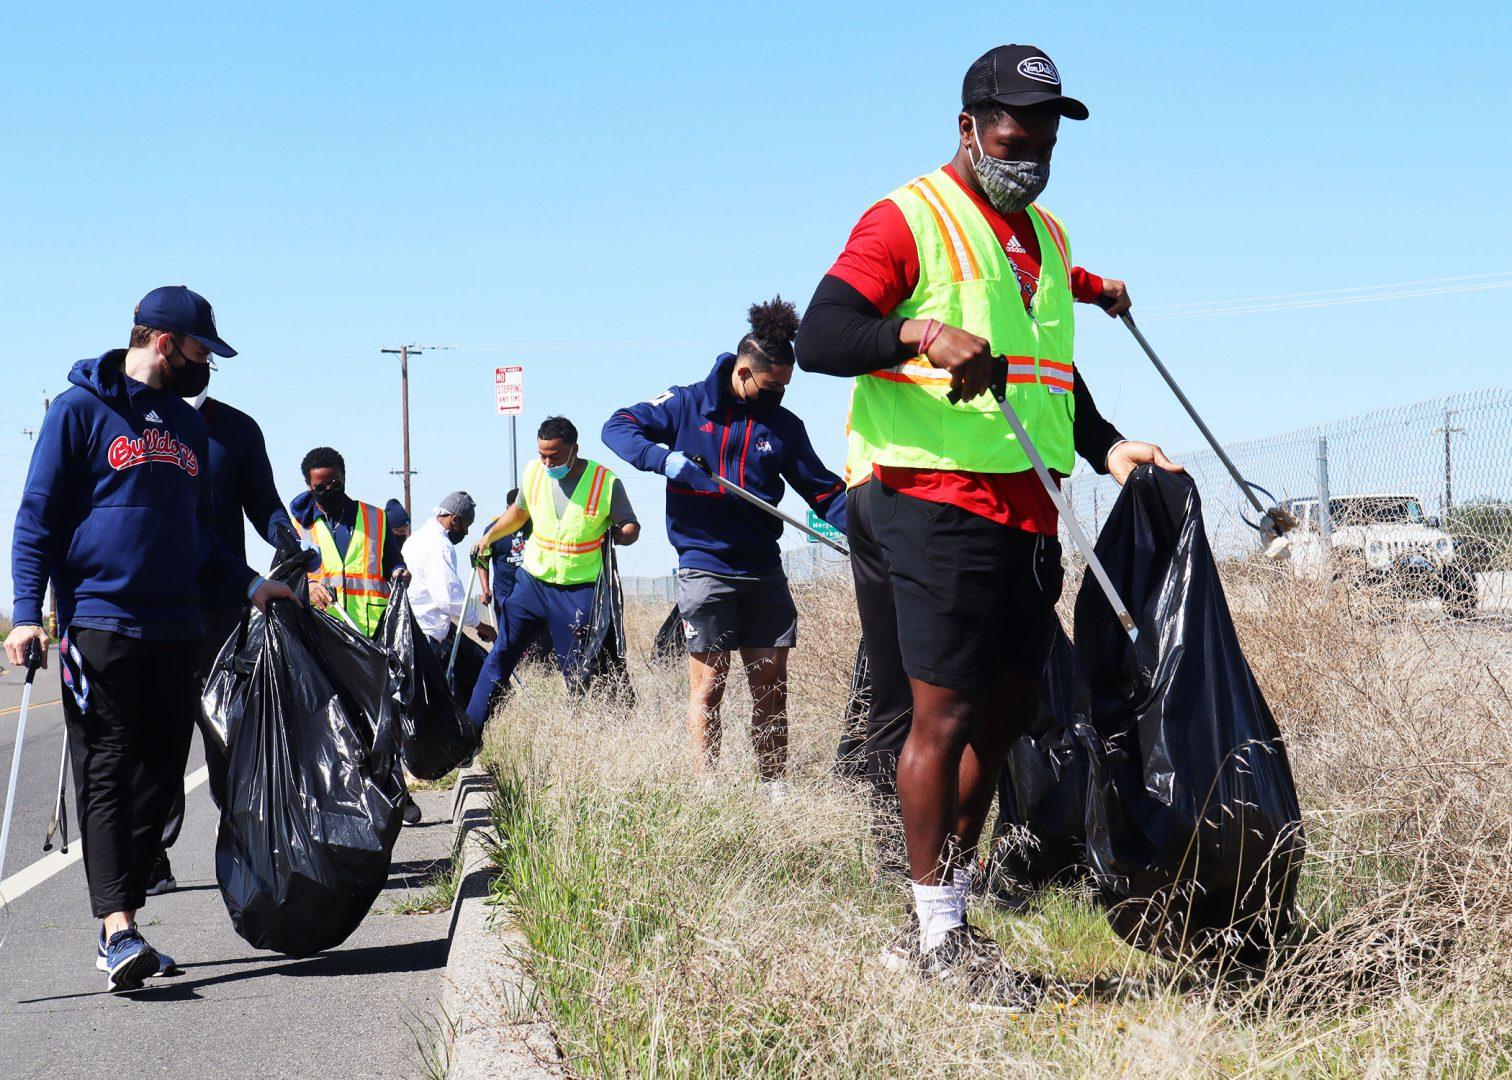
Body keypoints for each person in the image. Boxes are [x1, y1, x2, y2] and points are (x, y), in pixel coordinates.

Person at [794, 45, 1181, 1006]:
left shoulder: (1043, 237)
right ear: (968, 127)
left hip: (1025, 504)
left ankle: (943, 910)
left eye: (1050, 132)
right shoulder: (908, 219)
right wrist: (917, 332)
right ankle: (938, 937)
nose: (1036, 149)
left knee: (1010, 709)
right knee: (948, 712)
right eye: (1017, 131)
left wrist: (1108, 446)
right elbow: (820, 334)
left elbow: (1048, 373)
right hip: (929, 499)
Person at [5, 286, 294, 992]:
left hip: (179, 627)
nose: (207, 366)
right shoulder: (79, 411)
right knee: (106, 770)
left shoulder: (188, 431)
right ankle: (119, 931)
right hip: (100, 622)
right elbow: (37, 516)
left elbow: (196, 533)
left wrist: (251, 581)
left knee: (159, 781)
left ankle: (127, 925)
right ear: (163, 342)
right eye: (201, 352)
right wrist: (24, 614)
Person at [603, 298, 846, 797]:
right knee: (710, 686)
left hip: (763, 571)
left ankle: (774, 790)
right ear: (743, 372)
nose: (778, 395)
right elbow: (617, 426)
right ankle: (708, 790)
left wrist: (864, 531)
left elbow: (823, 492)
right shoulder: (686, 404)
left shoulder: (783, 427)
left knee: (771, 689)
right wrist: (660, 458)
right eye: (771, 386)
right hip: (705, 568)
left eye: (784, 388)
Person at [152, 387, 295, 895]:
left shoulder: (236, 429)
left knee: (226, 730)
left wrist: (285, 535)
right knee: (158, 737)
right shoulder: (138, 423)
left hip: (219, 608)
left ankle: (240, 838)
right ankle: (152, 853)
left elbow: (264, 503)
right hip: (155, 608)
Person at [466, 416, 639, 726]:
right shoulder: (534, 472)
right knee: (501, 655)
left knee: (579, 672)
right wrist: (488, 537)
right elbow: (518, 513)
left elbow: (630, 525)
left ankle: (585, 734)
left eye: (554, 456)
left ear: (574, 449)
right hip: (532, 584)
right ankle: (468, 735)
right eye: (542, 454)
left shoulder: (605, 482)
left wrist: (621, 534)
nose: (547, 462)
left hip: (578, 591)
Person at [290, 447, 409, 636]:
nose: (329, 490)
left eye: (336, 484)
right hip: (322, 632)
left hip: (371, 633)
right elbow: (288, 577)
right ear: (309, 486)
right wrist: (309, 585)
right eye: (321, 487)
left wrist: (398, 570)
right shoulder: (299, 527)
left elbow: (392, 561)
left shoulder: (375, 518)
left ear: (344, 478)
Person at [404, 491, 497, 658]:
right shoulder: (439, 545)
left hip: (410, 629)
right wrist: (481, 626)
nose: (467, 533)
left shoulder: (415, 538)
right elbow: (448, 598)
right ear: (454, 520)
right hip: (426, 632)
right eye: (466, 526)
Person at [478, 487, 530, 630]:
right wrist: (485, 589)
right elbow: (482, 559)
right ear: (508, 508)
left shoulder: (536, 526)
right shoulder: (493, 531)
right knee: (509, 640)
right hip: (505, 595)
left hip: (533, 594)